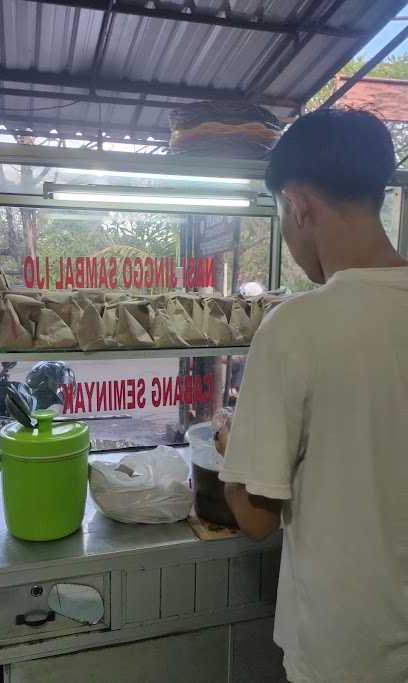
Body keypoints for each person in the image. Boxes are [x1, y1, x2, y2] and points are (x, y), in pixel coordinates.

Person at [218, 109, 408, 683]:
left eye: (280, 213)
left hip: (345, 652)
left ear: (299, 205)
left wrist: (233, 451)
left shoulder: (298, 327)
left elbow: (256, 517)